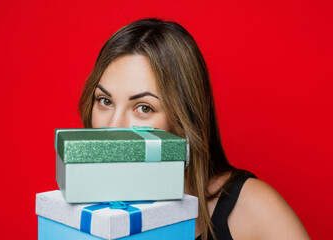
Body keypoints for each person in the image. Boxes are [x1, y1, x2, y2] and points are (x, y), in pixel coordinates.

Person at [78, 18, 309, 240]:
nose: (114, 126)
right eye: (105, 101)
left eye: (144, 107)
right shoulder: (79, 209)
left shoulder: (250, 207)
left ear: (184, 117)